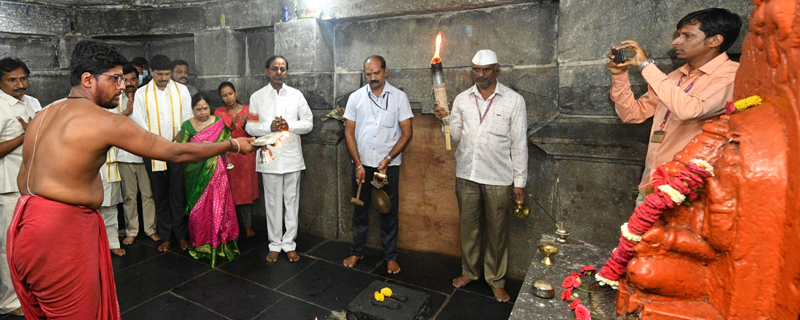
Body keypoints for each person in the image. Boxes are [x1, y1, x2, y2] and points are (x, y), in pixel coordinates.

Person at [6, 40, 254, 319]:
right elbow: (176, 151)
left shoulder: (44, 113)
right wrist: (232, 145)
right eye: (115, 79)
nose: (123, 86)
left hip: (23, 227)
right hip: (59, 234)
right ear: (88, 79)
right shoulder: (103, 120)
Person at [606, 8, 741, 200]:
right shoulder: (674, 76)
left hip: (690, 189)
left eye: (687, 35)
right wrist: (619, 76)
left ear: (714, 41)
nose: (675, 42)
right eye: (678, 35)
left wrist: (646, 65)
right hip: (652, 182)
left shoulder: (731, 75)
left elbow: (689, 110)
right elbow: (632, 114)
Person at [434, 49, 527, 302]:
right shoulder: (463, 99)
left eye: (486, 70)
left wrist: (520, 181)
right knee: (469, 228)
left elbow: (519, 143)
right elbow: (453, 138)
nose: (481, 75)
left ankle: (496, 280)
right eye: (476, 69)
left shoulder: (513, 100)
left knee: (497, 232)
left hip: (498, 176)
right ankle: (470, 272)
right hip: (466, 174)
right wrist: (444, 120)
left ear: (497, 69)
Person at [342, 55, 413, 275]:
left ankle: (390, 256)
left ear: (386, 71)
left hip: (387, 167)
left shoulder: (399, 98)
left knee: (388, 212)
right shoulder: (355, 98)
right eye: (368, 74)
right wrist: (357, 163)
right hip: (363, 166)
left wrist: (388, 159)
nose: (373, 77)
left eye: (376, 73)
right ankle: (358, 250)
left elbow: (407, 133)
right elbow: (349, 132)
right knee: (360, 209)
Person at [245, 56, 313, 263]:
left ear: (286, 72)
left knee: (291, 201)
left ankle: (289, 243)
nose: (279, 72)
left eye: (282, 69)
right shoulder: (257, 97)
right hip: (269, 156)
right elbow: (249, 127)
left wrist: (288, 126)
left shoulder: (296, 95)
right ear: (267, 71)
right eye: (274, 69)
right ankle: (274, 244)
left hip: (291, 156)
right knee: (273, 203)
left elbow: (308, 123)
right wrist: (269, 128)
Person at [132, 54, 193, 252]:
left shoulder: (181, 90)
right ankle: (166, 235)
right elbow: (139, 124)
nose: (164, 78)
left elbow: (187, 118)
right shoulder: (142, 94)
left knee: (178, 193)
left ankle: (181, 235)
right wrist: (158, 143)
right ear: (151, 72)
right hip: (153, 151)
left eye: (167, 74)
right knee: (160, 194)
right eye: (160, 74)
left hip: (177, 148)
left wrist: (178, 137)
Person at [179, 93, 240, 268]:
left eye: (205, 108)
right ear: (192, 109)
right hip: (194, 173)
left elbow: (228, 143)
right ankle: (201, 244)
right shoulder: (187, 125)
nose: (202, 112)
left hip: (217, 174)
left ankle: (221, 243)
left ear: (210, 108)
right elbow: (181, 149)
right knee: (198, 211)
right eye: (198, 109)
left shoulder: (219, 123)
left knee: (219, 207)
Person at [0, 57, 41, 317]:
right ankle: (10, 301)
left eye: (23, 78)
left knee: (32, 244)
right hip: (7, 185)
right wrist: (25, 136)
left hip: (34, 183)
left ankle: (32, 293)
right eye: (12, 80)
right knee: (8, 247)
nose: (19, 84)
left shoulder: (34, 102)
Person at [118, 64, 159, 245]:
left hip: (144, 154)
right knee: (129, 196)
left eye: (133, 79)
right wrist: (126, 112)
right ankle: (132, 230)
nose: (129, 83)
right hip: (123, 154)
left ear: (139, 79)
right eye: (125, 79)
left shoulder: (146, 96)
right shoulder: (115, 98)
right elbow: (109, 122)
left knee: (148, 194)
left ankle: (150, 229)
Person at [215, 82, 258, 237]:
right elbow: (218, 137)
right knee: (229, 192)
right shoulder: (218, 112)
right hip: (229, 158)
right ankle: (231, 226)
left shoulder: (249, 110)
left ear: (236, 93)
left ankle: (247, 226)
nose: (228, 98)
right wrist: (231, 128)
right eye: (224, 95)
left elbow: (258, 131)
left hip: (246, 157)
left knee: (246, 192)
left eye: (230, 93)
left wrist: (247, 127)